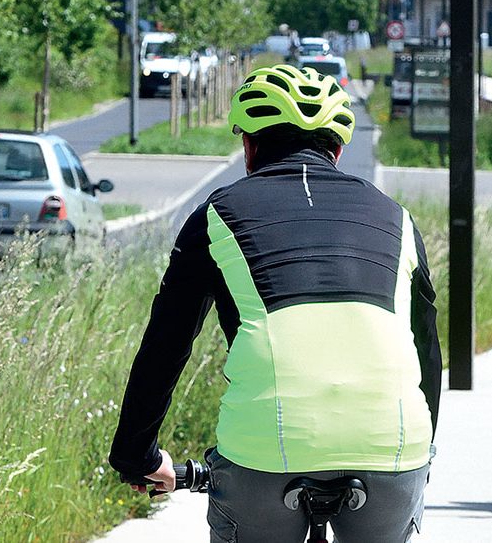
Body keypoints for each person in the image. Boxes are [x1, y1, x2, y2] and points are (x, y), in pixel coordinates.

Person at [109, 64, 441, 542]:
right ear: (339, 150)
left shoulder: (217, 215)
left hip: (266, 443)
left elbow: (166, 343)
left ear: (249, 147)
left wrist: (136, 456)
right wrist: (423, 450)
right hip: (392, 442)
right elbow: (425, 349)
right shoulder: (398, 219)